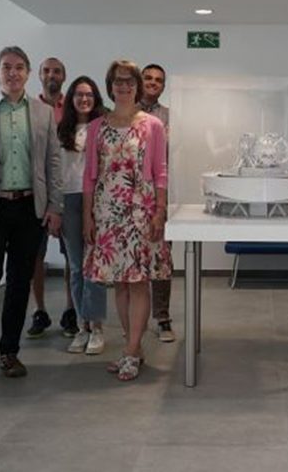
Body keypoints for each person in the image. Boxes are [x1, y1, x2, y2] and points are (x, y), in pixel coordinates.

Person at [0, 46, 63, 388]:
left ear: (28, 73)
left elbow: (52, 161)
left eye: (19, 67)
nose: (13, 73)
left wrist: (55, 206)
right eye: (6, 67)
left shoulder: (43, 113)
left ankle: (9, 352)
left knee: (19, 282)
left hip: (30, 208)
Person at [83, 60, 171, 382]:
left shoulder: (152, 125)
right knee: (119, 282)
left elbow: (160, 172)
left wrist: (160, 210)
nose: (123, 86)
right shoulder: (97, 127)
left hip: (141, 211)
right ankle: (132, 345)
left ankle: (131, 351)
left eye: (129, 81)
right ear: (110, 86)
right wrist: (87, 216)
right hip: (107, 211)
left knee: (138, 281)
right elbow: (90, 175)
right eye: (118, 81)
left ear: (137, 86)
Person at [57, 76, 110, 355]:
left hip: (97, 201)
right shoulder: (61, 130)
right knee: (77, 267)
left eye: (89, 94)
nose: (84, 99)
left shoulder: (103, 127)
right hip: (68, 201)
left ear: (96, 98)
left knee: (95, 266)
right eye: (79, 94)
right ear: (71, 99)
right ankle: (82, 326)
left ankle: (97, 326)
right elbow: (54, 170)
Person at [27, 57, 75, 338]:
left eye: (57, 71)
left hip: (68, 191)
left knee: (72, 255)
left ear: (64, 76)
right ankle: (39, 311)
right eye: (46, 71)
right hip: (37, 192)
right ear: (39, 75)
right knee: (35, 255)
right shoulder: (30, 108)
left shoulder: (73, 108)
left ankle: (70, 310)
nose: (51, 75)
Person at [141, 63, 175, 343]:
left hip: (162, 194)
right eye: (148, 78)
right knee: (134, 257)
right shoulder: (126, 113)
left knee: (162, 257)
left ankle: (162, 317)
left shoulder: (169, 116)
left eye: (158, 80)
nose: (153, 83)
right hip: (131, 195)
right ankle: (135, 320)